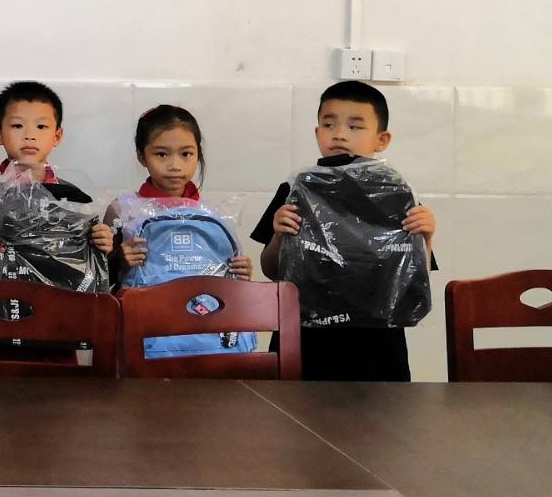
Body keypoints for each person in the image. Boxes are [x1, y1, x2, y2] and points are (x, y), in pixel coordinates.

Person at [252, 80, 439, 381]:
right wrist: (278, 236)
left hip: (377, 342)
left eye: (355, 126)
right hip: (304, 337)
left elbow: (412, 277)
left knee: (383, 410)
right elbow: (272, 271)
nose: (339, 134)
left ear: (381, 139)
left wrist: (426, 238)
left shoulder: (395, 191)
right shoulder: (296, 188)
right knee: (294, 409)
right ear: (317, 133)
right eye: (329, 124)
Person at [0, 80, 114, 364]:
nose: (30, 135)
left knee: (59, 392)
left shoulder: (76, 199)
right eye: (17, 125)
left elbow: (92, 268)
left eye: (42, 127)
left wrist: (105, 244)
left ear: (57, 136)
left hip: (58, 330)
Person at [111, 104, 252, 283]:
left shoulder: (213, 212)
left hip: (204, 301)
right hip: (143, 301)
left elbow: (225, 275)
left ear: (198, 154)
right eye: (161, 154)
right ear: (142, 156)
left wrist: (241, 270)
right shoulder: (123, 208)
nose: (175, 166)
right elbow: (97, 278)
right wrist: (117, 261)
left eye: (186, 154)